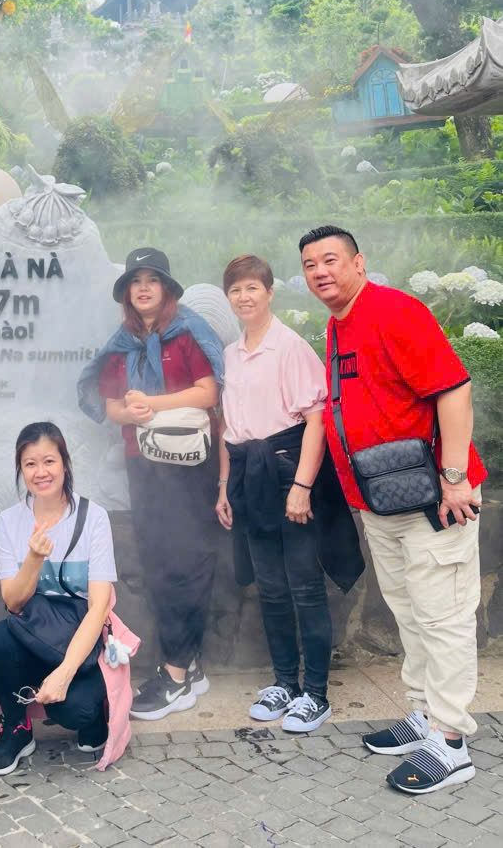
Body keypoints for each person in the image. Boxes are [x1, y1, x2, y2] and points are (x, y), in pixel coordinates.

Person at [300, 225, 486, 794]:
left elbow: (453, 389)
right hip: (383, 503)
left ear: (359, 263)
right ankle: (424, 713)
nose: (320, 271)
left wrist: (454, 478)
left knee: (442, 617)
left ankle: (450, 742)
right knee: (410, 612)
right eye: (309, 265)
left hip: (434, 499)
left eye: (330, 259)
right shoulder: (340, 324)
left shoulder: (393, 312)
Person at [216, 254, 363, 734]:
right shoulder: (231, 353)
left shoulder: (290, 347)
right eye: (235, 289)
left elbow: (316, 420)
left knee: (304, 585)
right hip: (248, 476)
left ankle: (315, 693)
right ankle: (284, 682)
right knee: (271, 588)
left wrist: (301, 487)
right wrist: (224, 486)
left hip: (287, 471)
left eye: (252, 288)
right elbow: (229, 429)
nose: (244, 297)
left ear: (269, 292)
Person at [78, 248, 225, 721]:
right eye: (135, 282)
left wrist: (153, 404)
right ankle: (187, 665)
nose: (143, 289)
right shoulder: (123, 343)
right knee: (158, 562)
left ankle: (176, 673)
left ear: (167, 288)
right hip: (143, 463)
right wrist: (131, 411)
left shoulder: (187, 333)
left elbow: (209, 392)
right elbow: (111, 406)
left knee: (185, 561)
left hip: (188, 464)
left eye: (152, 280)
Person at [0, 422, 121, 776]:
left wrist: (64, 674)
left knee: (76, 712)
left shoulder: (94, 518)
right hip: (32, 630)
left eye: (49, 461)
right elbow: (13, 603)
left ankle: (92, 709)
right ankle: (16, 727)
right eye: (30, 464)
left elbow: (99, 606)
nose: (40, 472)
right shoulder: (10, 521)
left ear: (65, 464)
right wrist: (33, 558)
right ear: (20, 469)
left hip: (78, 634)